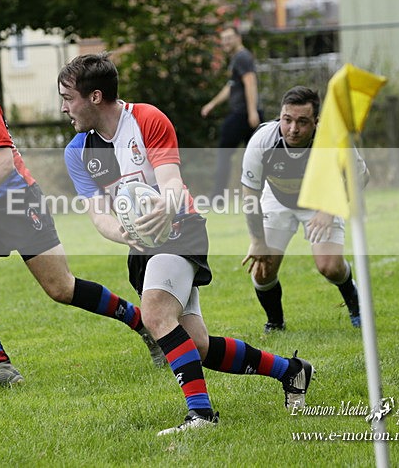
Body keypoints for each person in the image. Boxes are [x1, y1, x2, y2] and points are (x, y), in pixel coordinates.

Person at [59, 53, 313, 435]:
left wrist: (165, 207)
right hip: (141, 246)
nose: (64, 108)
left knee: (155, 314)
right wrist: (124, 233)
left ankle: (201, 416)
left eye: (68, 98)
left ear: (94, 97)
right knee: (197, 344)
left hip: (180, 228)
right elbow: (99, 216)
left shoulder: (146, 119)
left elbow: (172, 183)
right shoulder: (77, 152)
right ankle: (291, 371)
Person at [0, 38, 164, 391]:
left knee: (62, 288)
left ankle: (139, 321)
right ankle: (0, 366)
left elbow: (2, 164)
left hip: (19, 204)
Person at [241, 86, 366, 333]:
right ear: (280, 115)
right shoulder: (263, 141)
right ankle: (275, 323)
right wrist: (257, 241)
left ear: (316, 122)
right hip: (277, 198)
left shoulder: (333, 139)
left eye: (302, 122)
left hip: (321, 199)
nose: (293, 129)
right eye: (287, 120)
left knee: (330, 267)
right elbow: (250, 194)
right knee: (262, 269)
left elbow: (360, 177)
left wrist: (329, 210)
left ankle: (353, 298)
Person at [201, 25, 262, 197]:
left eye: (229, 38)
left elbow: (250, 82)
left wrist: (252, 111)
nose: (225, 42)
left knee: (225, 153)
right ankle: (254, 194)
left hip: (243, 114)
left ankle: (217, 196)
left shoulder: (242, 57)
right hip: (243, 113)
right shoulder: (237, 58)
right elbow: (231, 86)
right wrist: (212, 104)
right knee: (254, 156)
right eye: (223, 39)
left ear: (238, 38)